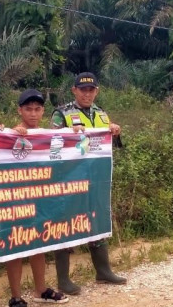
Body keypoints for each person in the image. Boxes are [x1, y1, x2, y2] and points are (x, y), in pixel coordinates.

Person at [51, 72, 126, 294]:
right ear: (74, 90)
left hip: (95, 179)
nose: (87, 93)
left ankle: (103, 271)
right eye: (82, 89)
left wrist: (115, 131)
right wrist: (67, 133)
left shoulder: (102, 115)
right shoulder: (62, 113)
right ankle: (63, 280)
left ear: (97, 91)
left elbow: (112, 146)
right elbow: (50, 143)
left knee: (97, 218)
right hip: (69, 179)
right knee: (66, 223)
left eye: (91, 90)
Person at [6, 89, 70, 307]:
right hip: (17, 198)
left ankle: (40, 289)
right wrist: (12, 133)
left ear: (43, 111)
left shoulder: (48, 133)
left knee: (39, 242)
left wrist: (79, 131)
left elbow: (70, 142)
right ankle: (15, 296)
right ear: (20, 110)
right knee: (16, 245)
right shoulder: (12, 132)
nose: (33, 114)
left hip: (41, 196)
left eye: (37, 109)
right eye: (28, 109)